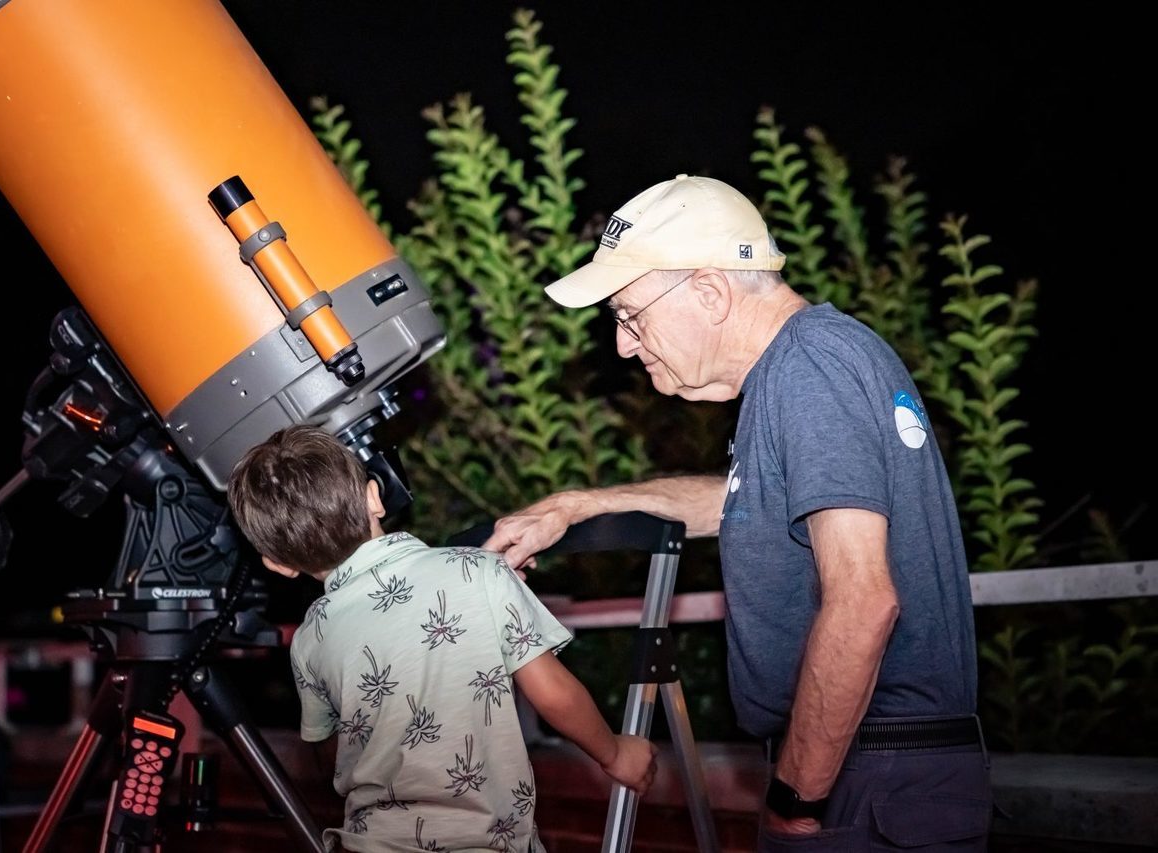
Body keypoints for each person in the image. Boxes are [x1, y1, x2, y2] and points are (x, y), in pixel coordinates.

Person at [482, 174, 992, 851]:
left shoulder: (809, 366)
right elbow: (739, 502)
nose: (624, 346)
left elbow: (864, 602)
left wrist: (793, 800)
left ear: (710, 291)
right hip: (868, 767)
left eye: (630, 315)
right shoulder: (805, 366)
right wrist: (579, 505)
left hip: (867, 774)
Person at [225, 424, 657, 853]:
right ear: (375, 497)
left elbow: (328, 749)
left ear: (277, 563)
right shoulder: (480, 572)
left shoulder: (309, 639)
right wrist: (616, 755)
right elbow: (553, 694)